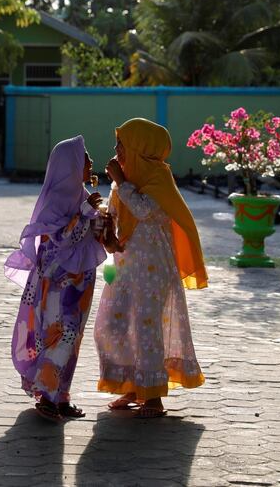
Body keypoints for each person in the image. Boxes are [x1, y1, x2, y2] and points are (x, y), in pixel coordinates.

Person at [94, 118, 207, 418]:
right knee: (111, 325)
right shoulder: (125, 181)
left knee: (146, 328)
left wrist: (119, 180)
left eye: (121, 144)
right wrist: (108, 231)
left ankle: (153, 396)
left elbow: (143, 209)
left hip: (154, 270)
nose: (116, 150)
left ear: (140, 147)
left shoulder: (158, 177)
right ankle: (133, 385)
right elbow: (116, 213)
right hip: (126, 267)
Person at [5, 135, 108, 421]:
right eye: (85, 157)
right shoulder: (55, 200)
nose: (90, 162)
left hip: (80, 284)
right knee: (59, 335)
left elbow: (91, 235)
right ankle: (48, 396)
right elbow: (62, 240)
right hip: (57, 285)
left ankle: (61, 396)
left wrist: (100, 217)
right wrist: (85, 213)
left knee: (72, 339)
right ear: (70, 164)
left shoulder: (81, 195)